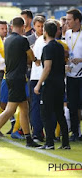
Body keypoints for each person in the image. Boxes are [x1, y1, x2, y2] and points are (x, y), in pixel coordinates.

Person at [0, 16, 40, 147]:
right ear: (23, 26)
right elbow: (31, 56)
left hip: (9, 76)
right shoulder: (23, 40)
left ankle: (28, 139)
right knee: (10, 110)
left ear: (11, 26)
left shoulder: (7, 39)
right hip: (18, 78)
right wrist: (36, 59)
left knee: (24, 108)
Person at [34, 20, 70, 150]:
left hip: (50, 85)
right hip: (60, 83)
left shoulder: (48, 48)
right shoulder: (60, 46)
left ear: (45, 32)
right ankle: (65, 142)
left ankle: (49, 142)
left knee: (45, 113)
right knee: (59, 113)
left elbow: (47, 68)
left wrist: (38, 84)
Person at [65, 8, 82, 141]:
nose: (67, 22)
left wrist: (80, 60)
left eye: (69, 19)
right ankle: (75, 133)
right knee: (72, 105)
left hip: (81, 75)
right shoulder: (67, 33)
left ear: (77, 20)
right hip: (71, 75)